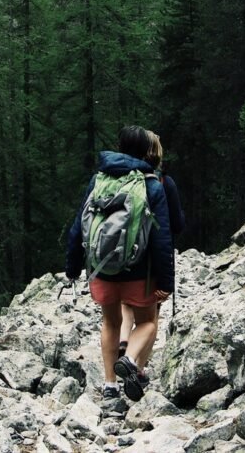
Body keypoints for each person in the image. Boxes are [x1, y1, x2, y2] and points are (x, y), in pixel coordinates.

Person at [65, 126, 174, 402]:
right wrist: (166, 282)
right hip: (140, 272)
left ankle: (110, 385)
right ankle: (132, 361)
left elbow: (79, 226)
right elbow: (162, 239)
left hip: (102, 270)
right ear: (146, 150)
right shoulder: (150, 184)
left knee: (110, 323)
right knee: (147, 321)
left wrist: (73, 267)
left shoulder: (99, 180)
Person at [119, 132, 185, 371]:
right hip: (149, 263)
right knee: (149, 318)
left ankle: (123, 340)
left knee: (126, 304)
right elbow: (176, 225)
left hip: (121, 254)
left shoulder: (120, 179)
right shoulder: (164, 183)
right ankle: (137, 369)